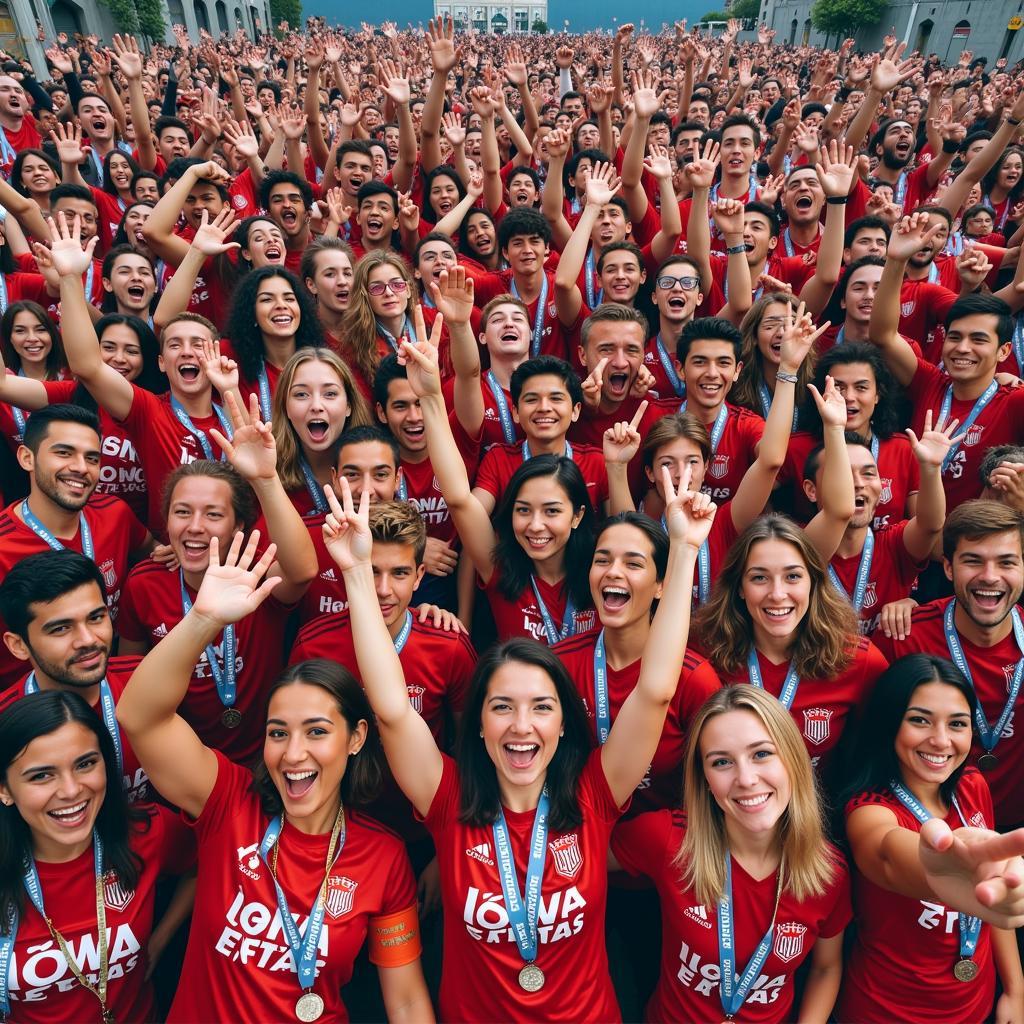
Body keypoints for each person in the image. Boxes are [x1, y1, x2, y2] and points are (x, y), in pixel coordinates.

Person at [325, 438, 714, 1021]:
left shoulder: (594, 794)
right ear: (477, 725)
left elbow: (655, 691)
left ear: (565, 724)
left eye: (541, 707)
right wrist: (357, 574)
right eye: (501, 706)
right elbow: (392, 711)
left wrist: (682, 551)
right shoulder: (448, 797)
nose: (521, 726)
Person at [115, 531, 434, 1022]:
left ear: (355, 738)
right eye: (278, 732)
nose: (293, 753)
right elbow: (139, 716)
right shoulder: (229, 803)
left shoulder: (385, 856)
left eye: (317, 731)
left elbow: (408, 1000)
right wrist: (201, 620)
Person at [611, 685, 852, 1023]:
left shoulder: (829, 873)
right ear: (705, 778)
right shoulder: (668, 840)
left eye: (762, 754)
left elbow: (826, 968)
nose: (746, 778)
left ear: (793, 761)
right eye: (722, 762)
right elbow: (585, 860)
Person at [117, 394, 317, 765]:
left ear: (238, 525)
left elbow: (302, 571)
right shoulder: (143, 583)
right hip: (185, 761)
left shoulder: (253, 575)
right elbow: (128, 677)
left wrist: (265, 479)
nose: (194, 527)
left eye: (213, 514)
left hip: (269, 758)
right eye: (182, 512)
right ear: (166, 522)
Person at [839, 653, 1024, 1023]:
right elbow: (888, 855)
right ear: (889, 724)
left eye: (957, 724)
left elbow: (992, 898)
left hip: (977, 1007)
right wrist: (942, 867)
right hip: (884, 1013)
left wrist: (1016, 989)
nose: (941, 741)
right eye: (919, 720)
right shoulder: (867, 812)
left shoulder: (973, 786)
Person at [0, 691, 194, 1022]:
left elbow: (202, 864)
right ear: (5, 790)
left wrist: (160, 940)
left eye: (85, 763)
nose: (72, 790)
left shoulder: (148, 833)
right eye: (41, 775)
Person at [694, 514, 888, 784]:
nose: (777, 594)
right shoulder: (705, 651)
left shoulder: (859, 660)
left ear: (813, 582)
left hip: (819, 819)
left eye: (793, 576)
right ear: (739, 587)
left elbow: (875, 758)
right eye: (760, 578)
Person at [875, 501, 1024, 831]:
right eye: (973, 561)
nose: (990, 576)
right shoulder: (902, 636)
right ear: (948, 568)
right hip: (930, 833)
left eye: (1006, 562)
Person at [0, 404, 152, 690]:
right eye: (64, 453)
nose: (81, 468)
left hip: (107, 689)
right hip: (34, 707)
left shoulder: (114, 513)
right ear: (26, 458)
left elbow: (153, 551)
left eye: (92, 458)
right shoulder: (4, 546)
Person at [0, 549, 151, 801]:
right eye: (61, 628)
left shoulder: (148, 682)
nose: (88, 639)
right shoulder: (4, 722)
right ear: (18, 645)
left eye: (96, 617)